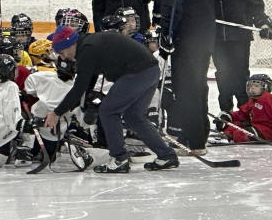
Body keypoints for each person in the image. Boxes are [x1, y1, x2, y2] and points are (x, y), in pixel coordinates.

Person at [43, 25, 178, 173]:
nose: (63, 57)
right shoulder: (88, 44)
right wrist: (81, 103)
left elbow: (79, 87)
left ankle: (119, 158)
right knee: (133, 117)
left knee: (108, 111)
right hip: (150, 72)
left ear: (69, 44)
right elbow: (89, 80)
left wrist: (56, 113)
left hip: (137, 73)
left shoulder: (86, 50)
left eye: (61, 52)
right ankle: (166, 155)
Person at [158, 0, 216, 155]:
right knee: (198, 84)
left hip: (188, 37)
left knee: (186, 87)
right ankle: (200, 136)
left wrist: (168, 33)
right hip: (205, 36)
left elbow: (173, 2)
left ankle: (193, 141)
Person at [213, 74, 272, 145]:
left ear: (266, 87)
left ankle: (230, 137)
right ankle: (226, 135)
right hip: (256, 127)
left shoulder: (268, 98)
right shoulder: (252, 100)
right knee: (234, 124)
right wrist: (227, 116)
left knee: (240, 134)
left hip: (268, 130)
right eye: (251, 86)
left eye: (256, 86)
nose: (252, 88)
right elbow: (242, 114)